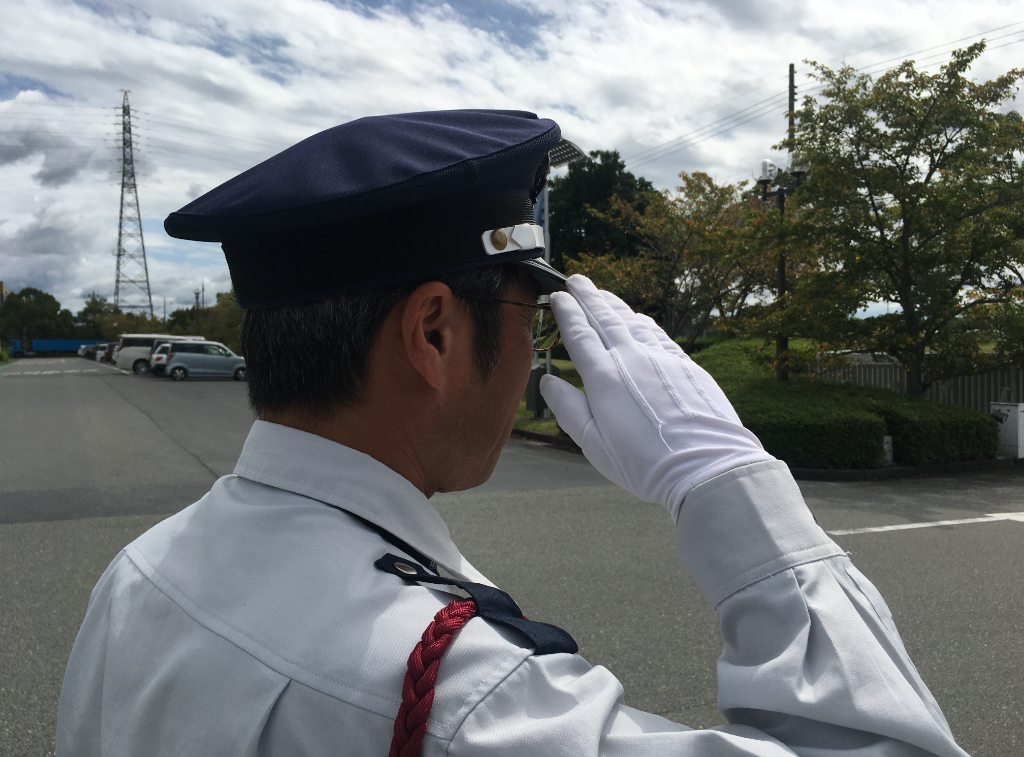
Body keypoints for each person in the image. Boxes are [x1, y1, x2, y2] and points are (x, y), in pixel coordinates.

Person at [56, 110, 968, 757]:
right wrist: (729, 482)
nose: (535, 355)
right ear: (436, 335)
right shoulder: (468, 699)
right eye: (532, 317)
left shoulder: (142, 570)